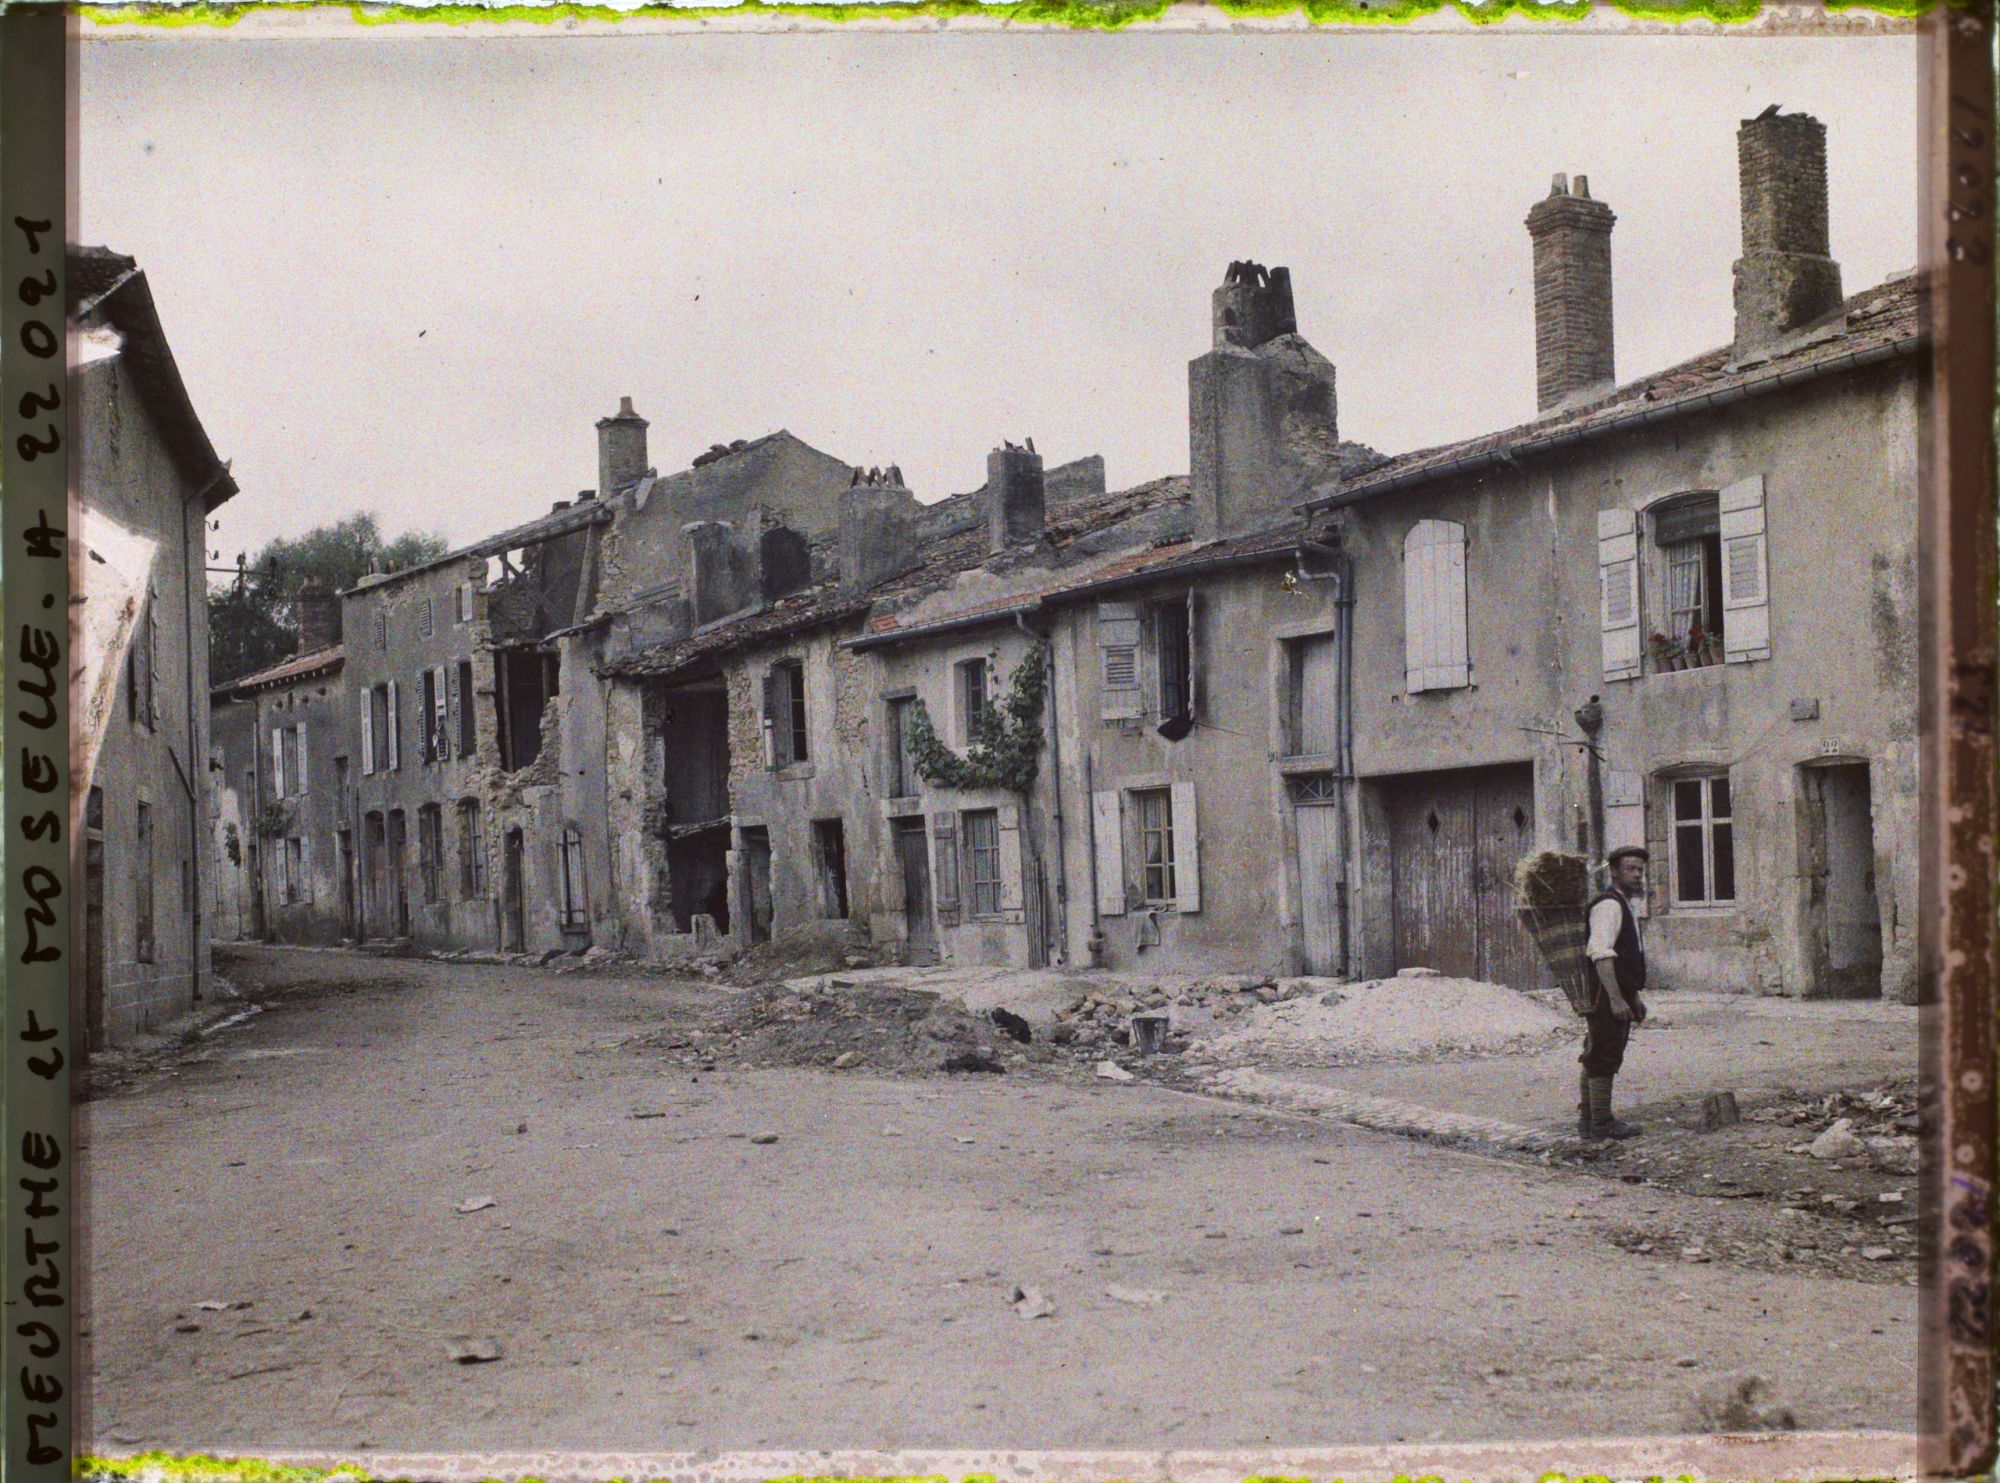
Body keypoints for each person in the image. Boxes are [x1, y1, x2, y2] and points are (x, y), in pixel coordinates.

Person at [1579, 844, 1649, 1140]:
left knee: (1599, 1052)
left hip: (1617, 992)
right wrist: (1617, 999)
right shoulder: (1608, 905)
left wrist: (1633, 996)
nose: (1636, 875)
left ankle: (1589, 1121)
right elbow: (1601, 954)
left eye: (1640, 870)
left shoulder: (1623, 903)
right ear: (1614, 871)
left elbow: (1625, 956)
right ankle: (1602, 1124)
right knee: (1603, 1055)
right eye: (1630, 869)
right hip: (1605, 994)